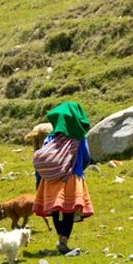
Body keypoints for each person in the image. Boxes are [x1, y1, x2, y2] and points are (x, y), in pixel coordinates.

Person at [32, 101, 94, 254]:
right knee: (68, 210)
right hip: (71, 177)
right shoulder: (80, 138)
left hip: (50, 181)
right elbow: (86, 157)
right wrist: (78, 169)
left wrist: (40, 180)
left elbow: (44, 160)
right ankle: (63, 240)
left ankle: (60, 237)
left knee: (55, 209)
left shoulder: (49, 139)